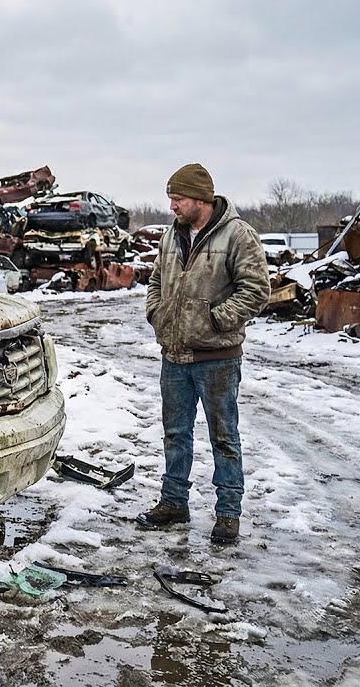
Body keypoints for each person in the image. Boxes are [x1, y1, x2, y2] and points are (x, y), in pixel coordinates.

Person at [139, 163, 269, 544]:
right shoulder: (170, 236)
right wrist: (156, 312)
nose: (172, 207)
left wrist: (216, 320)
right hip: (174, 356)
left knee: (224, 436)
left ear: (200, 199)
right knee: (175, 434)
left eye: (177, 199)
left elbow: (256, 289)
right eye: (171, 200)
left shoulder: (237, 236)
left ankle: (228, 513)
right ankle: (174, 502)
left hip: (217, 358)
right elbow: (155, 281)